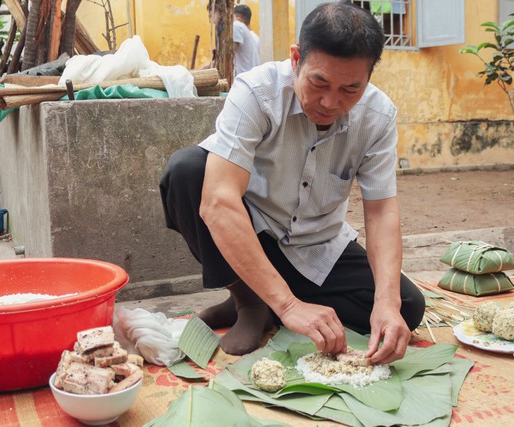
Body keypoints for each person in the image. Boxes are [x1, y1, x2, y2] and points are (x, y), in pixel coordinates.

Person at [160, 2, 425, 362]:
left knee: (406, 310)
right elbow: (218, 202)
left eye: (351, 89)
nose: (331, 102)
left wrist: (386, 303)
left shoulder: (378, 117)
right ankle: (250, 301)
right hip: (254, 233)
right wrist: (288, 306)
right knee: (188, 170)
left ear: (369, 76)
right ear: (296, 58)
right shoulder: (257, 92)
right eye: (319, 82)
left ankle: (268, 300)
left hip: (319, 247)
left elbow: (380, 213)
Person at [233, 4, 260, 76]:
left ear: (238, 19)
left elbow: (230, 53)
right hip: (253, 77)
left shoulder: (237, 26)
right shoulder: (256, 37)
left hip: (243, 77)